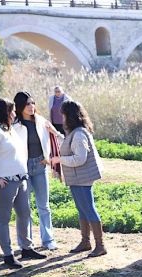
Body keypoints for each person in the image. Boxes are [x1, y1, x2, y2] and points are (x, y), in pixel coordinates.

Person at [0, 98, 42, 269]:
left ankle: (26, 248)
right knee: (4, 217)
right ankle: (8, 254)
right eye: (12, 111)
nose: (15, 113)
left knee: (24, 213)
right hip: (4, 182)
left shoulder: (8, 130)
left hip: (20, 179)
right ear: (5, 112)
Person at [50, 100, 106, 257]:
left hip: (82, 178)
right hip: (78, 178)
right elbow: (68, 144)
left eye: (64, 115)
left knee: (89, 209)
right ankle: (85, 242)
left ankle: (100, 246)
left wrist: (59, 160)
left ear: (70, 116)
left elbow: (79, 158)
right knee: (82, 210)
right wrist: (55, 133)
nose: (62, 119)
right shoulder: (75, 133)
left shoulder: (79, 134)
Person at [13, 91, 62, 252]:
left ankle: (48, 240)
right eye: (28, 104)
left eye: (33, 103)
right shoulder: (15, 125)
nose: (31, 106)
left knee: (44, 206)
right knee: (24, 208)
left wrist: (47, 156)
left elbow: (56, 137)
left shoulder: (41, 121)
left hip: (40, 166)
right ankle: (26, 243)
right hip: (23, 168)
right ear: (20, 106)